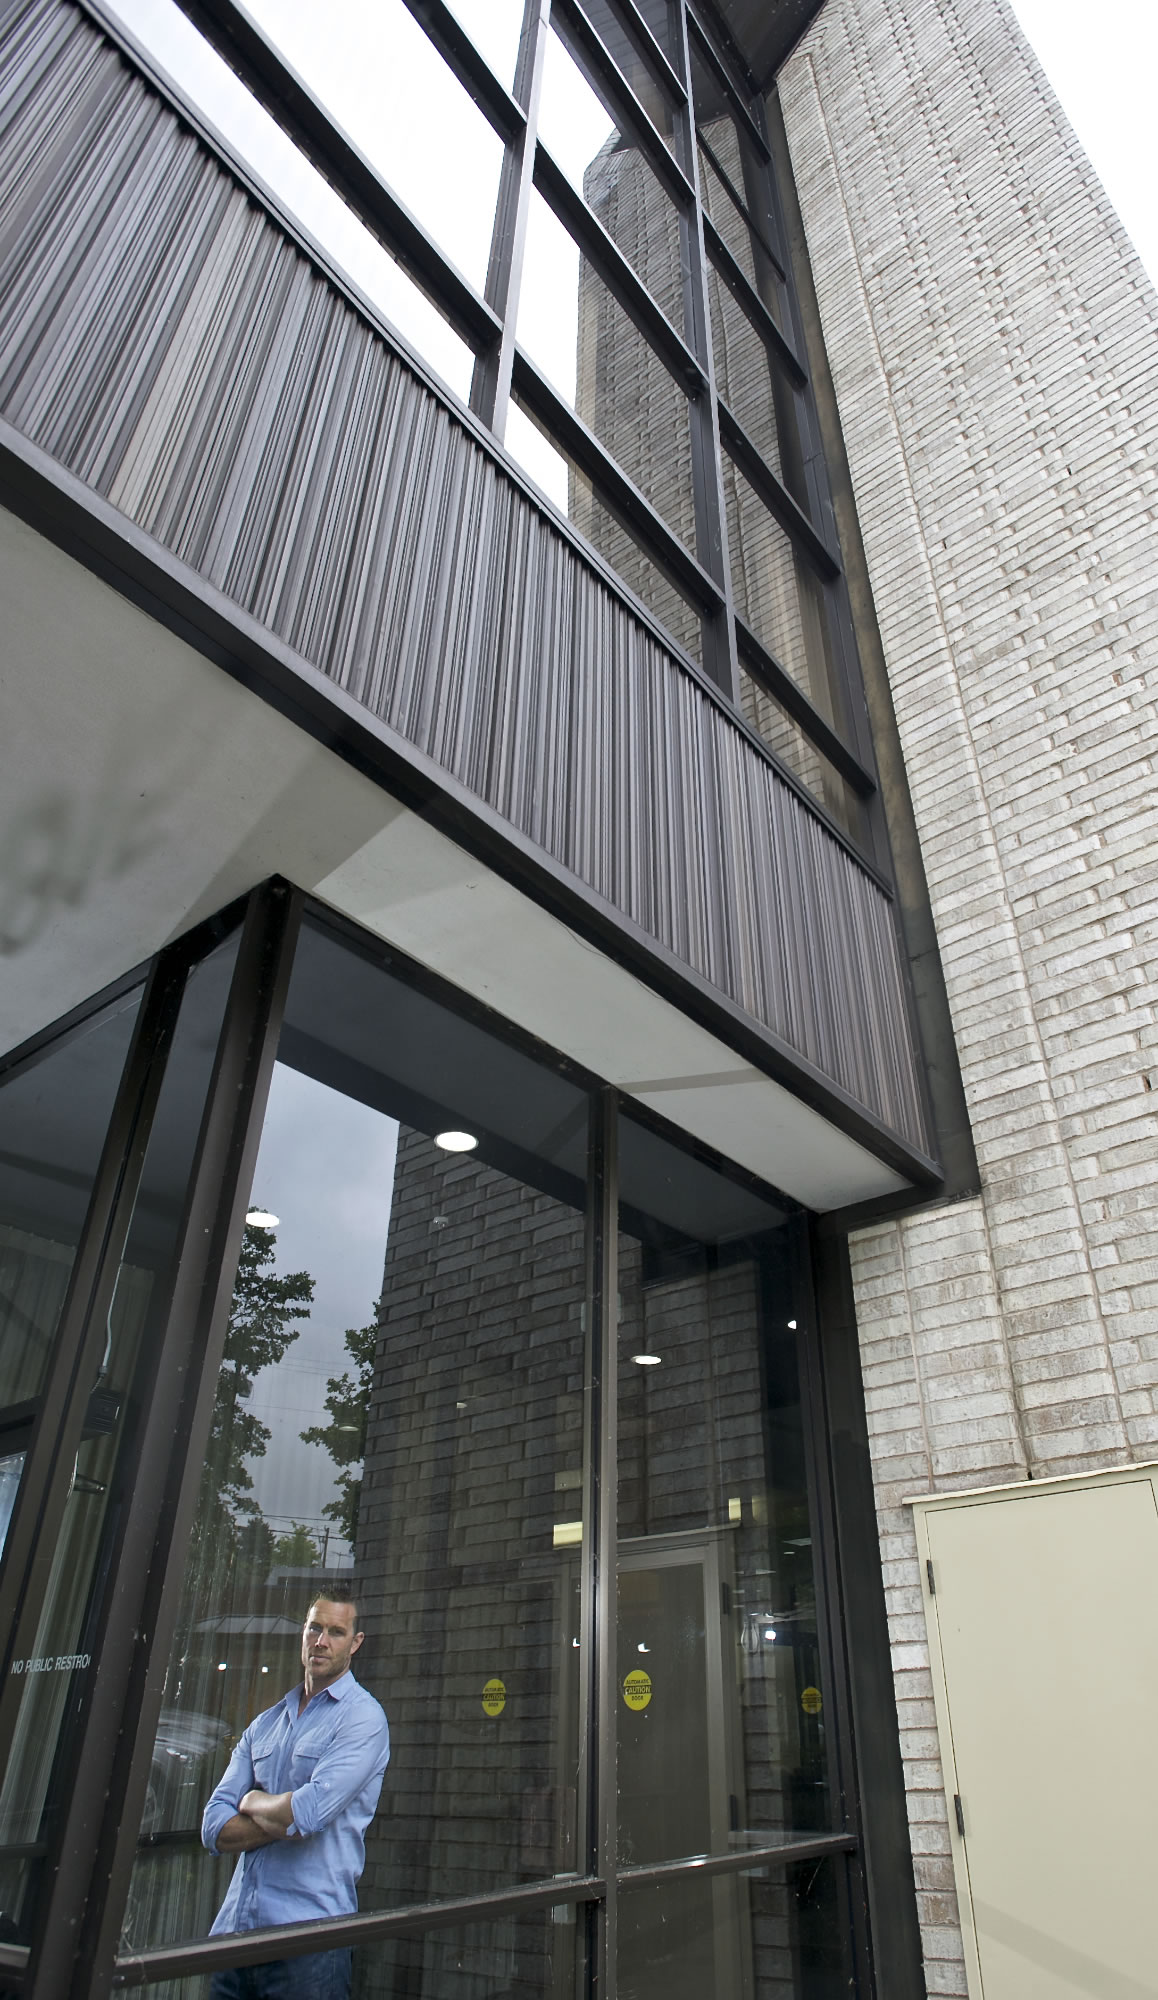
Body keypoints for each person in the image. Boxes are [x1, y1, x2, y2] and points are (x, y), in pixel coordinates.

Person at [200, 1589, 390, 2000]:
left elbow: (309, 1812)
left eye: (336, 1632)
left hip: (308, 1945)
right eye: (315, 1628)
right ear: (303, 1633)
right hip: (234, 1937)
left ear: (355, 1643)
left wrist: (251, 1801)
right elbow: (213, 1825)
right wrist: (288, 1815)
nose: (321, 1641)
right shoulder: (265, 1724)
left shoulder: (363, 1719)